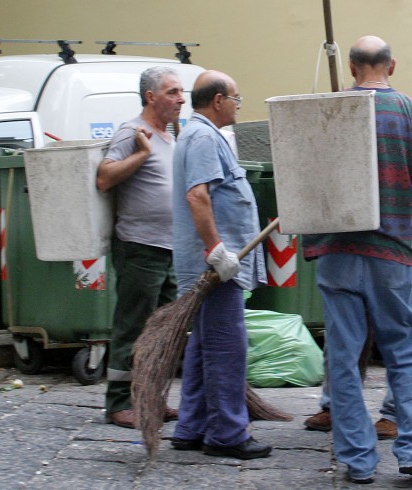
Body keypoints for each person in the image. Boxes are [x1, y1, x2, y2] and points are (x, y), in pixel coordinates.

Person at [302, 36, 412, 484]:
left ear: (350, 68)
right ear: (392, 65)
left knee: (343, 358)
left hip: (338, 251)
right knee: (405, 351)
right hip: (392, 251)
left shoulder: (324, 112)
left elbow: (305, 184)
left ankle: (357, 461)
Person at [168, 70, 272, 460]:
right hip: (215, 267)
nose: (238, 105)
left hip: (213, 265)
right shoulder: (202, 137)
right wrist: (216, 250)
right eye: (235, 98)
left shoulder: (200, 135)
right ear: (217, 101)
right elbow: (199, 196)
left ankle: (191, 426)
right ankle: (227, 434)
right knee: (227, 346)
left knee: (203, 345)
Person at [304, 196, 412, 440]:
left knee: (402, 345)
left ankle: (396, 417)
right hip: (345, 245)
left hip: (393, 248)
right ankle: (336, 409)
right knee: (342, 344)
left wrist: (380, 206)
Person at [97, 66, 183, 429]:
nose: (181, 99)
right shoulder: (133, 132)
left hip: (170, 248)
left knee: (163, 332)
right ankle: (118, 403)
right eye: (173, 92)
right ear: (151, 97)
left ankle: (151, 400)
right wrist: (141, 155)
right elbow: (104, 177)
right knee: (133, 326)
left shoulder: (171, 135)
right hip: (140, 247)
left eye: (183, 93)